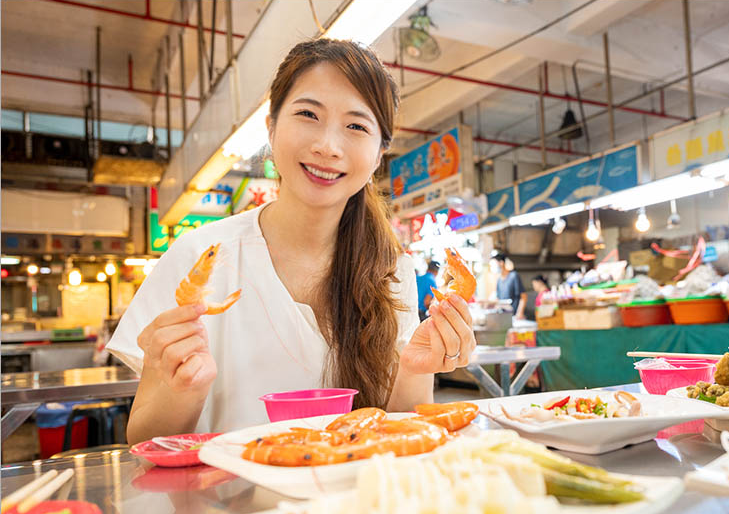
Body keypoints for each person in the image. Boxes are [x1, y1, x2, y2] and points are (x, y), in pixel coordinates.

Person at [108, 39, 476, 444]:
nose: (327, 147)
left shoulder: (393, 270)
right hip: (224, 505)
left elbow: (400, 432)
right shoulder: (200, 258)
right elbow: (143, 441)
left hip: (352, 504)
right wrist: (183, 392)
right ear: (271, 127)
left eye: (356, 125)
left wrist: (414, 369)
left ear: (378, 156)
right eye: (308, 114)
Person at [494, 253, 527, 319]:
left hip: (514, 315)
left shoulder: (513, 276)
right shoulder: (499, 280)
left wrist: (519, 313)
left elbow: (523, 296)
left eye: (494, 264)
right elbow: (498, 299)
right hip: (503, 316)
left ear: (501, 263)